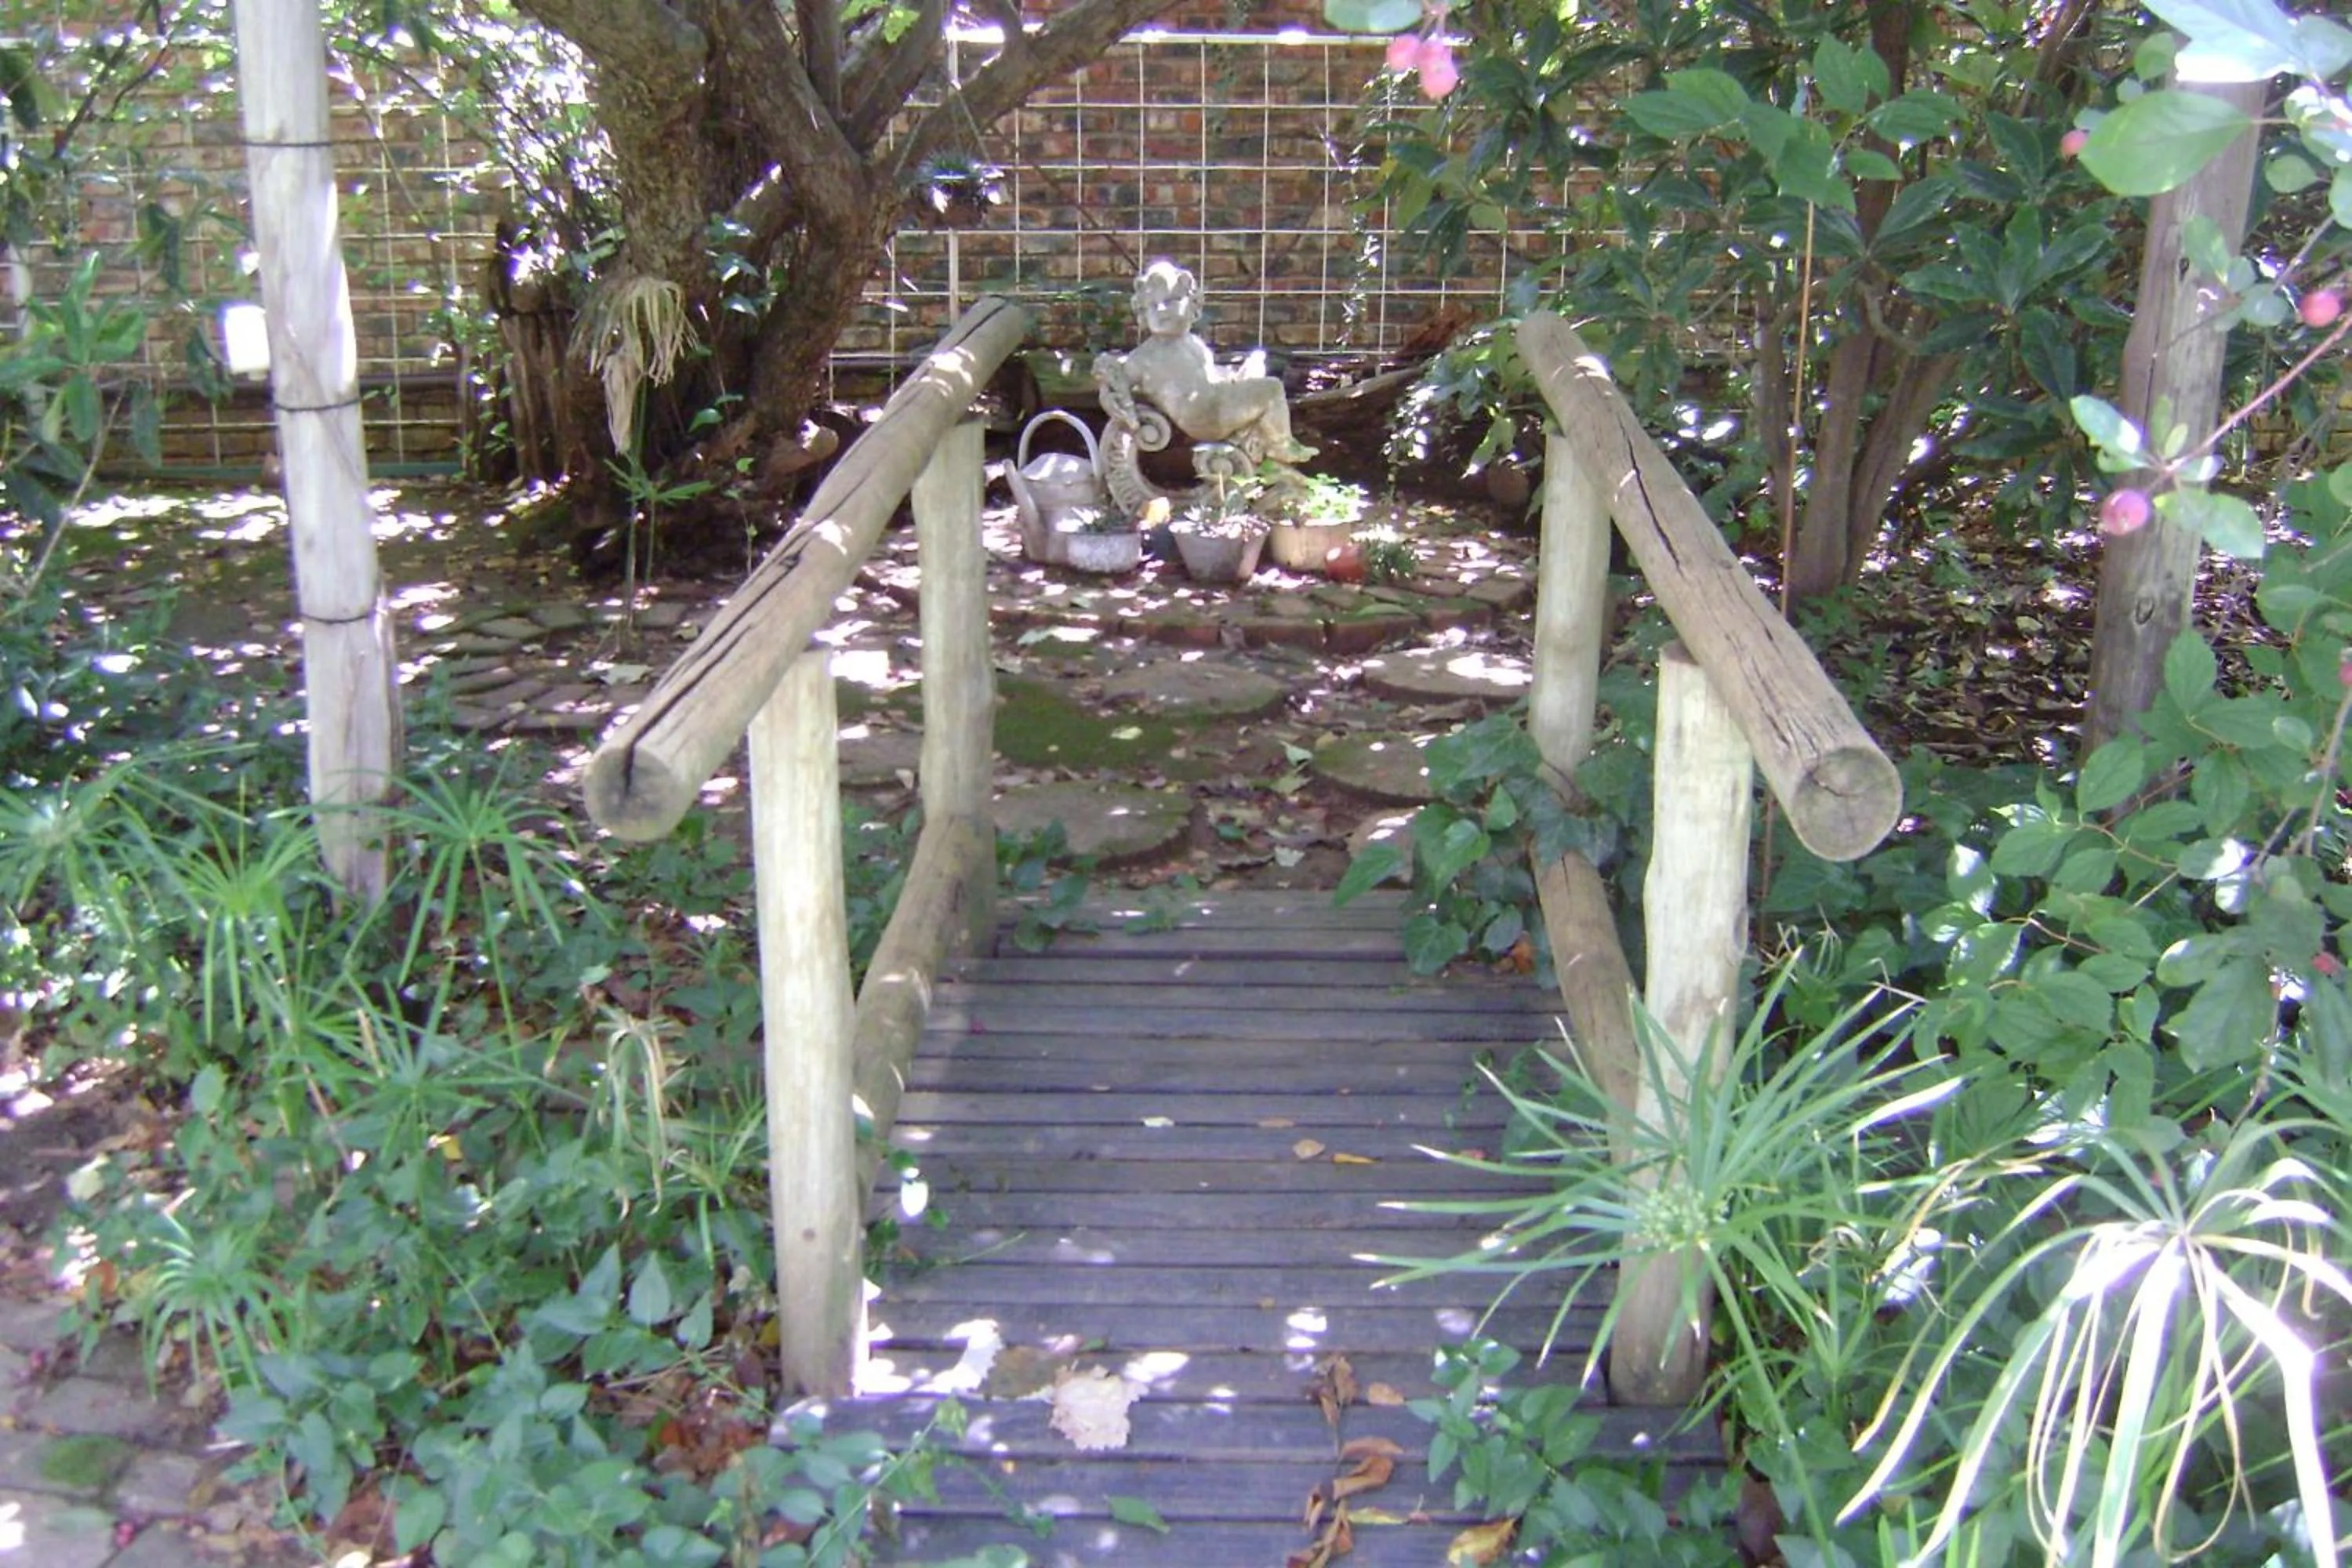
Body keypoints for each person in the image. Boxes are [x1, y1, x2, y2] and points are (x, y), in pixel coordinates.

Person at [1098, 260, 1316, 465]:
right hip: (1207, 417)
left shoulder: (1193, 343)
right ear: (1142, 314)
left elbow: (1208, 375)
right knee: (1271, 389)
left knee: (1256, 366)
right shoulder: (1144, 356)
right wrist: (1111, 383)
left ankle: (1260, 443)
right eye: (1154, 306)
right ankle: (1280, 445)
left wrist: (1234, 376)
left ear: (1194, 306)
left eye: (1171, 301)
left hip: (1216, 402)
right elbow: (1118, 382)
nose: (1162, 310)